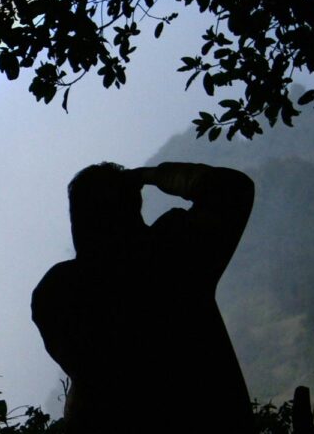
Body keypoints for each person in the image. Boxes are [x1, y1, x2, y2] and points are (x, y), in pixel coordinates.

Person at [31, 162, 255, 433]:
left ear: (77, 217)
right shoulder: (172, 252)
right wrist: (149, 175)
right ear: (133, 204)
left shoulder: (55, 291)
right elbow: (231, 187)